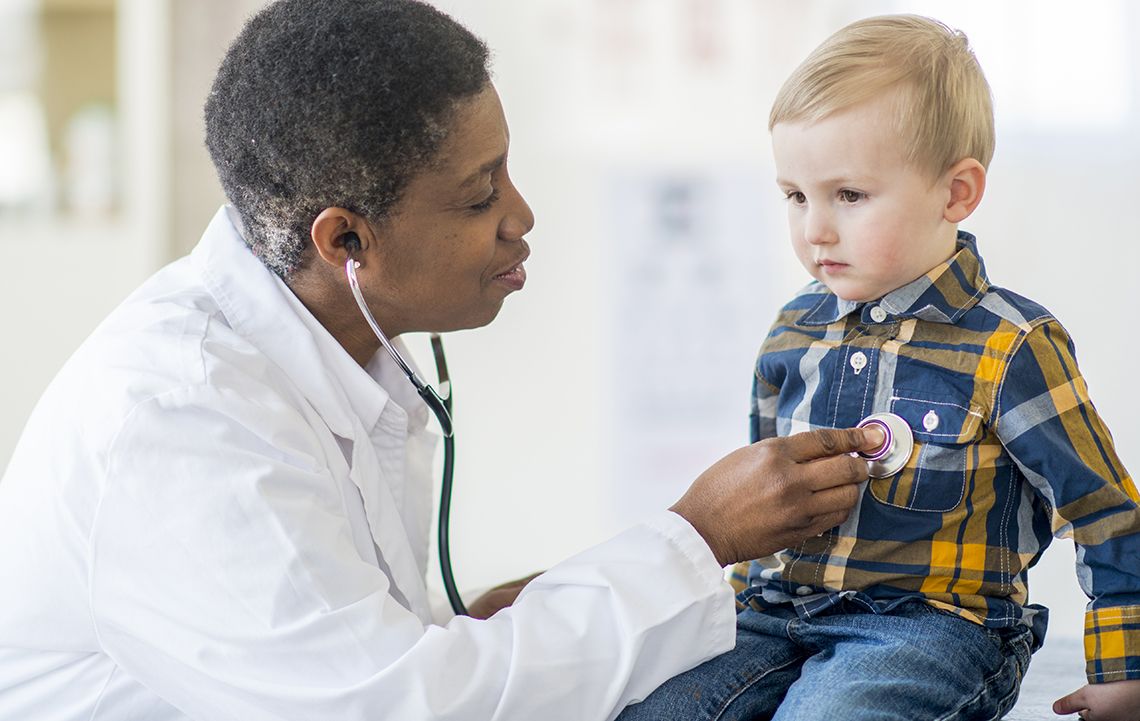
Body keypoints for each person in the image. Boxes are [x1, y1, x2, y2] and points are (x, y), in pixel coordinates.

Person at [0, 1, 886, 719]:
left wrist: (483, 623)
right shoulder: (181, 419)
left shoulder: (335, 347)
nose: (521, 216)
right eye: (478, 195)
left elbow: (364, 655)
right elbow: (396, 705)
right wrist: (698, 535)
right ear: (346, 238)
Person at [617, 14, 1140, 721]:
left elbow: (1104, 511)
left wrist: (1126, 668)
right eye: (796, 196)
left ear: (956, 193)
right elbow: (764, 504)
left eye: (849, 195)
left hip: (929, 626)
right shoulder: (792, 331)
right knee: (644, 708)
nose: (815, 229)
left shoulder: (1013, 344)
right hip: (777, 613)